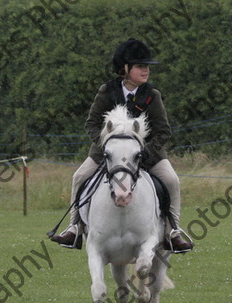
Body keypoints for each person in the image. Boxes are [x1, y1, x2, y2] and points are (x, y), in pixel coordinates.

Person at [50, 38, 193, 253]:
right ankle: (75, 227)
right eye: (140, 66)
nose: (145, 71)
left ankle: (172, 231)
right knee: (79, 177)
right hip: (107, 153)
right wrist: (107, 146)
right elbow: (92, 124)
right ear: (125, 69)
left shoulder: (152, 96)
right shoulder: (107, 91)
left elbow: (163, 131)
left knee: (171, 180)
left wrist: (146, 153)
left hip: (147, 155)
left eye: (147, 67)